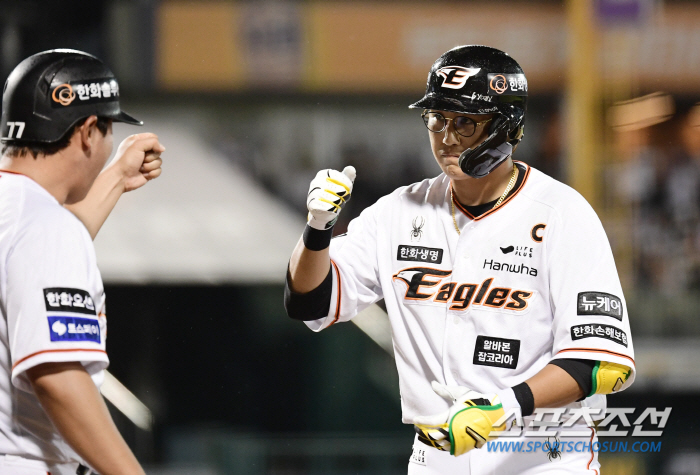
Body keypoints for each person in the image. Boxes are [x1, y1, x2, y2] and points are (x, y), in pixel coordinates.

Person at [284, 45, 635, 474]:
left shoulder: (562, 213)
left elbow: (604, 362)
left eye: (465, 122)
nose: (447, 137)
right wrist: (318, 229)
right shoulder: (398, 211)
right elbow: (309, 301)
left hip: (539, 454)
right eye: (437, 119)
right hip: (435, 455)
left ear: (507, 126)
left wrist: (501, 407)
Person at [0, 49, 164, 475]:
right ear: (89, 131)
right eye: (107, 129)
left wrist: (114, 178)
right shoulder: (45, 228)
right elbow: (58, 378)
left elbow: (34, 261)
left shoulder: (19, 216)